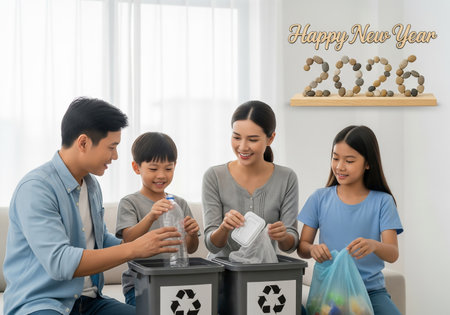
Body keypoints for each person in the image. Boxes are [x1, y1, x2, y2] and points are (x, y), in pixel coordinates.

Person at [3, 97, 182, 315]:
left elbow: (99, 241)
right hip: (40, 303)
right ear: (84, 143)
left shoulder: (91, 185)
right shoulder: (36, 189)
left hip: (89, 302)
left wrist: (150, 245)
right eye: (112, 147)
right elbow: (60, 262)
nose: (115, 156)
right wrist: (133, 248)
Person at [297, 125, 403, 315]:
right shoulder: (320, 198)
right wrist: (313, 249)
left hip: (371, 292)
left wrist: (374, 245)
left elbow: (393, 253)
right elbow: (303, 246)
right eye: (335, 158)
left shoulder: (383, 202)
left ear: (368, 163)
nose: (339, 166)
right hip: (331, 290)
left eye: (349, 160)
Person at [202, 100, 299, 258]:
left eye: (252, 139)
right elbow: (211, 245)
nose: (242, 147)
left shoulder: (287, 178)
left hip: (264, 275)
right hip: (222, 272)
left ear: (270, 139)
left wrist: (283, 236)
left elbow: (291, 245)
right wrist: (224, 228)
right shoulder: (214, 176)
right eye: (237, 137)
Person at [115, 132, 199, 306]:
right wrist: (151, 216)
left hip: (176, 280)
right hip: (140, 284)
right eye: (153, 169)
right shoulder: (129, 202)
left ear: (175, 166)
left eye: (168, 168)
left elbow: (190, 248)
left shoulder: (180, 203)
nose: (161, 175)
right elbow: (128, 240)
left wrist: (191, 234)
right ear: (136, 167)